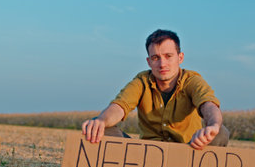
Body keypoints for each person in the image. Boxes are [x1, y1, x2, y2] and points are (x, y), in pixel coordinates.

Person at [82, 29, 229, 150]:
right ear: (148, 62)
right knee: (100, 127)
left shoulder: (192, 80)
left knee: (220, 132)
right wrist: (101, 120)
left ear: (180, 57)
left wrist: (214, 125)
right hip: (146, 153)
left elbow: (208, 104)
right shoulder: (142, 81)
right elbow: (120, 106)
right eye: (155, 58)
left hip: (187, 151)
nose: (162, 64)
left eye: (168, 56)